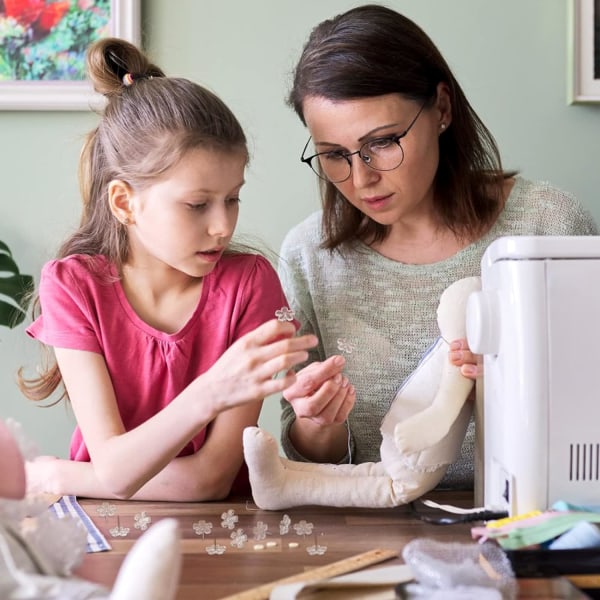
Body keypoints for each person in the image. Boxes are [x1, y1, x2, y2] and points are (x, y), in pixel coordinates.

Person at [278, 4, 598, 489]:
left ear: (442, 109)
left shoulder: (547, 225)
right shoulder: (309, 256)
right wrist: (317, 421)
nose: (361, 178)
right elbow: (315, 467)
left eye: (383, 142)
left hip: (533, 519)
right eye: (334, 155)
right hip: (371, 533)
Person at [18, 37, 318, 502]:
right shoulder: (73, 286)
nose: (222, 226)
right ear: (124, 203)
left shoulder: (250, 284)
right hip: (106, 530)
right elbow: (117, 472)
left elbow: (211, 480)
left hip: (225, 535)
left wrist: (64, 476)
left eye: (233, 198)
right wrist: (212, 391)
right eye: (197, 205)